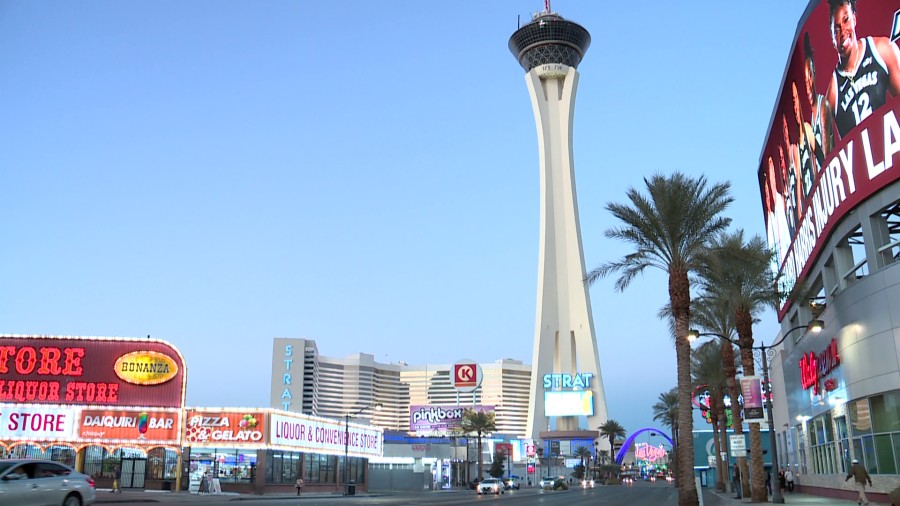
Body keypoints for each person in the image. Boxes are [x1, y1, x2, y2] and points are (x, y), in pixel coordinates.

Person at [825, 0, 900, 139]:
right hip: (862, 153)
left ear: (854, 19)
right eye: (836, 29)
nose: (843, 32)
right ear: (832, 39)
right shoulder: (833, 94)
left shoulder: (882, 50)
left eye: (846, 20)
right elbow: (828, 150)